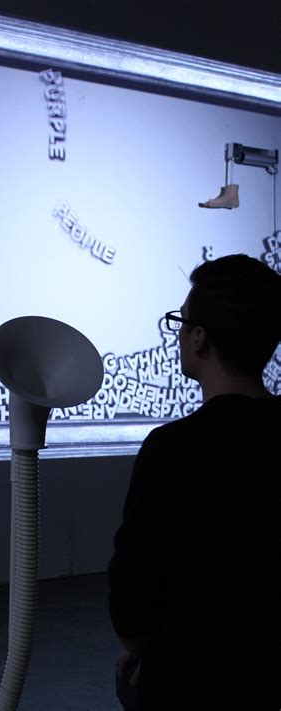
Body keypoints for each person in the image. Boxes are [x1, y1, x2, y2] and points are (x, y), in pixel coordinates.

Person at [107, 254, 281, 710]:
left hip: (192, 686)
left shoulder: (170, 449)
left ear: (199, 338)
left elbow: (131, 606)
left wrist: (152, 657)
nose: (179, 334)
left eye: (181, 323)